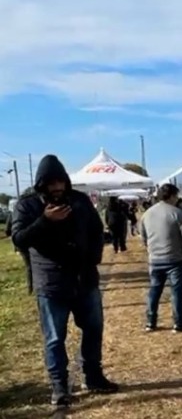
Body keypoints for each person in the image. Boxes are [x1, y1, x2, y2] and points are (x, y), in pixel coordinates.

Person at [11, 154, 118, 407]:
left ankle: (93, 376)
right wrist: (45, 221)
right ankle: (59, 386)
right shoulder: (27, 206)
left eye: (60, 182)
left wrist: (94, 256)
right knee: (54, 338)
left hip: (85, 280)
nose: (57, 187)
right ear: (42, 184)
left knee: (93, 329)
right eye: (51, 183)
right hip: (51, 283)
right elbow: (19, 239)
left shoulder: (79, 200)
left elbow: (96, 231)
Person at [139, 183, 182, 333]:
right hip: (175, 259)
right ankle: (179, 323)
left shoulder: (147, 214)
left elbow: (143, 237)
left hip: (155, 259)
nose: (177, 199)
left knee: (154, 290)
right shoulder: (177, 213)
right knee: (176, 292)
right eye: (176, 196)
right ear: (171, 196)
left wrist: (151, 251)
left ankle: (150, 322)